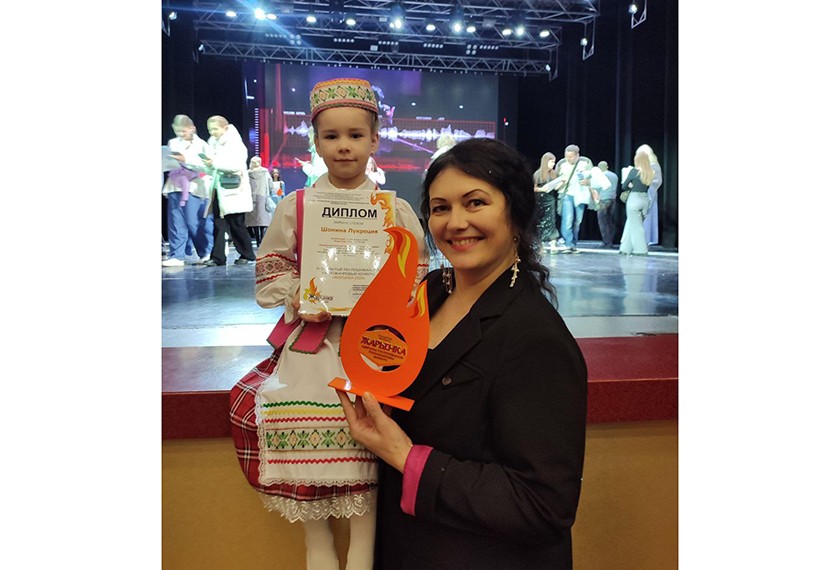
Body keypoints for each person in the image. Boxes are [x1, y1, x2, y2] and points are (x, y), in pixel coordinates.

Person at [336, 137, 588, 570]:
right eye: (440, 208)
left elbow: (543, 505)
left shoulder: (534, 336)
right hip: (406, 545)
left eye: (475, 203)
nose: (455, 223)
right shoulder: (429, 293)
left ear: (516, 212)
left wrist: (405, 456)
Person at [251, 78, 429, 570]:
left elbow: (416, 272)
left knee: (368, 449)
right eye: (331, 136)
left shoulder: (393, 209)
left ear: (375, 140)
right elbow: (271, 266)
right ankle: (318, 545)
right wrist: (297, 295)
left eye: (355, 135)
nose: (343, 146)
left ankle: (364, 554)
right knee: (307, 436)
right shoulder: (296, 206)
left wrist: (389, 302)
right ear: (316, 141)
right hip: (313, 345)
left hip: (374, 348)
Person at [201, 116, 257, 266]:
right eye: (209, 129)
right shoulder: (213, 143)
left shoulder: (235, 143)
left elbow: (236, 166)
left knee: (237, 225)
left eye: (215, 129)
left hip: (233, 191)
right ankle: (218, 257)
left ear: (225, 128)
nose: (212, 132)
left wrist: (214, 163)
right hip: (219, 189)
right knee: (218, 224)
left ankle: (248, 255)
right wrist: (208, 165)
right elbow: (213, 168)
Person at [161, 115, 214, 267]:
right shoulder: (172, 142)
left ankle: (205, 252)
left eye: (183, 131)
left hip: (194, 187)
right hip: (174, 185)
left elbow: (207, 167)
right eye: (177, 131)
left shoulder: (202, 145)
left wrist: (186, 160)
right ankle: (177, 255)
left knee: (193, 222)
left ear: (192, 128)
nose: (180, 134)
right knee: (176, 222)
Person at [554, 144, 593, 253]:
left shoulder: (585, 162)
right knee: (568, 219)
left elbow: (593, 177)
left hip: (580, 195)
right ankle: (568, 244)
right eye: (567, 156)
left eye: (571, 157)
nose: (568, 159)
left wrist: (588, 182)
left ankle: (573, 244)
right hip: (566, 193)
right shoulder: (561, 163)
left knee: (578, 220)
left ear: (577, 155)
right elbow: (555, 178)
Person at [619, 151, 655, 256]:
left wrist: (631, 186)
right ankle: (625, 249)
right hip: (645, 200)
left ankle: (641, 250)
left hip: (634, 199)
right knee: (633, 224)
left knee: (636, 226)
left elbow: (624, 186)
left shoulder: (634, 172)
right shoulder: (651, 172)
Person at [533, 151, 560, 253]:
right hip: (540, 200)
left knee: (551, 221)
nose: (553, 164)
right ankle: (540, 245)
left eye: (554, 162)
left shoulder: (554, 173)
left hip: (550, 200)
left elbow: (556, 188)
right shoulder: (538, 174)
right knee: (540, 222)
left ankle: (553, 244)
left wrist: (561, 182)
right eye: (551, 162)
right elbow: (534, 188)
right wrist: (542, 189)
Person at [636, 144, 662, 246]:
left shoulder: (654, 166)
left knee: (647, 219)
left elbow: (656, 182)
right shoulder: (643, 166)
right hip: (640, 196)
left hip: (649, 196)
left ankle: (645, 241)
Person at [245, 156, 274, 248]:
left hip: (251, 197)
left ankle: (257, 240)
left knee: (253, 221)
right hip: (262, 196)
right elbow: (271, 185)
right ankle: (262, 240)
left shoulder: (247, 173)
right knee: (263, 220)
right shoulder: (265, 172)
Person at [597, 160, 619, 248]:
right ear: (607, 167)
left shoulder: (600, 176)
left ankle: (606, 241)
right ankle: (611, 241)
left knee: (602, 221)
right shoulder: (614, 175)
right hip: (612, 199)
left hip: (603, 199)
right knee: (609, 221)